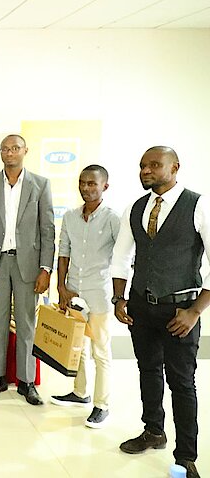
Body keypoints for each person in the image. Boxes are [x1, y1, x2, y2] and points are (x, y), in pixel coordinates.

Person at [111, 146, 208, 478]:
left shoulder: (198, 205)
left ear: (175, 167)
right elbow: (121, 255)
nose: (146, 171)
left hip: (180, 310)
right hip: (141, 306)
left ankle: (186, 457)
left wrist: (195, 311)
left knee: (182, 382)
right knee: (148, 370)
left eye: (154, 165)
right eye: (142, 166)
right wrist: (119, 298)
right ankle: (153, 431)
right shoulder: (136, 207)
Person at [0, 134, 54, 406]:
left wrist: (46, 268)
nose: (10, 153)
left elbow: (47, 229)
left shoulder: (40, 184)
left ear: (25, 151)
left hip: (28, 265)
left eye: (15, 148)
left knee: (26, 325)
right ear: (0, 152)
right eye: (5, 149)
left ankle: (26, 381)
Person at [52, 165, 120, 428]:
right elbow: (63, 252)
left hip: (99, 293)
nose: (86, 188)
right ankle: (80, 393)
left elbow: (124, 256)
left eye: (92, 183)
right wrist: (61, 287)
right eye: (82, 183)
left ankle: (102, 405)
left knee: (100, 350)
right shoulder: (70, 216)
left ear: (105, 186)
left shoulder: (112, 219)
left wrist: (120, 294)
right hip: (73, 290)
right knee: (78, 346)